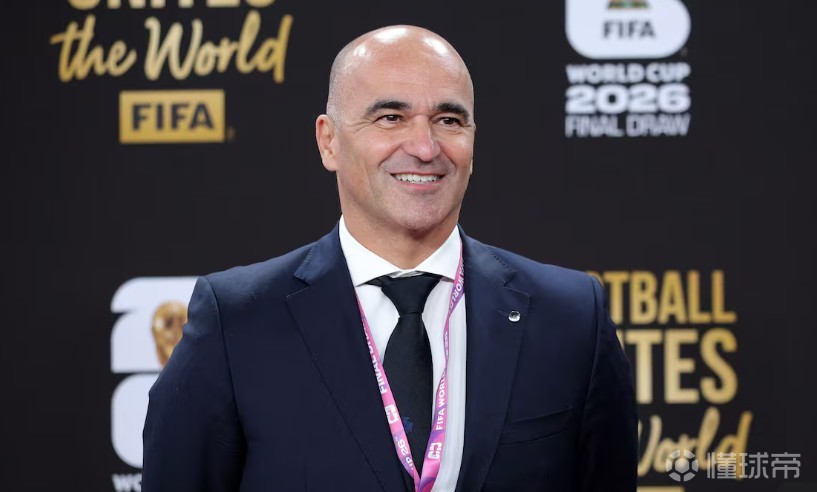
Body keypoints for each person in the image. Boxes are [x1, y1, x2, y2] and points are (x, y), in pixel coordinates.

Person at [142, 25, 637, 492]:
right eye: (390, 117)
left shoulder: (572, 317)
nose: (424, 147)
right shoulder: (237, 321)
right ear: (329, 141)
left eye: (448, 120)